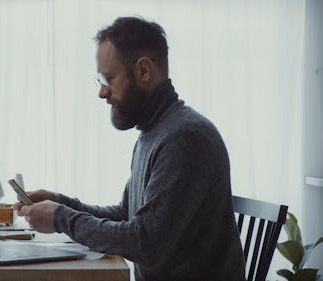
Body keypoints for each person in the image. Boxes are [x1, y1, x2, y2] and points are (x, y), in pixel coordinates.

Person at [14, 16, 246, 281]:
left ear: (144, 71)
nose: (102, 92)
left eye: (108, 78)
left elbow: (143, 241)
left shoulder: (186, 137)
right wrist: (62, 203)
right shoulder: (156, 132)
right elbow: (127, 216)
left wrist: (62, 218)